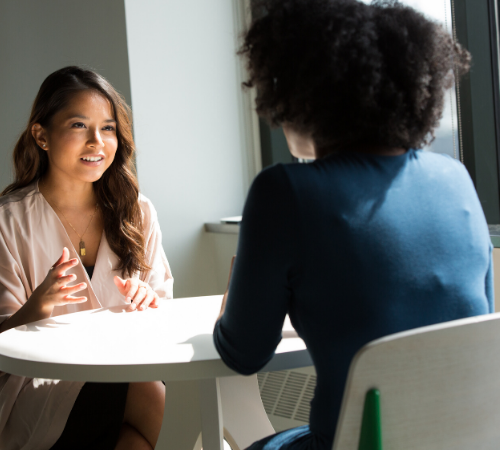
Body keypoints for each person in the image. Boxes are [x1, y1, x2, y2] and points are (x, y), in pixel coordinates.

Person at [213, 1, 493, 449]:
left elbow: (243, 353)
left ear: (304, 96)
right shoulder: (455, 180)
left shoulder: (284, 191)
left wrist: (233, 307)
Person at [0, 66, 173, 450]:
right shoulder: (7, 221)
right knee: (148, 395)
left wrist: (149, 301)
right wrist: (36, 308)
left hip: (124, 373)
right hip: (34, 392)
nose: (97, 141)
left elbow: (166, 314)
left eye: (108, 128)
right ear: (41, 136)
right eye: (79, 126)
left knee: (138, 428)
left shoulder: (137, 211)